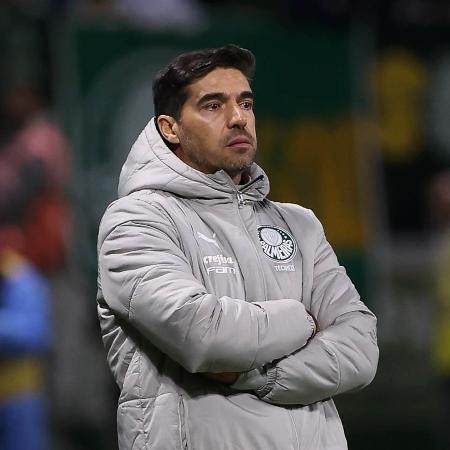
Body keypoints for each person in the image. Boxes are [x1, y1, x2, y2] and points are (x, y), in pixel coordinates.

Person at [97, 44, 379, 449]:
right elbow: (205, 336)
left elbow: (361, 349)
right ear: (169, 127)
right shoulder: (137, 221)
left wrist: (259, 376)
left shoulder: (298, 224)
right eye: (213, 106)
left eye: (245, 103)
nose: (237, 118)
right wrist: (304, 322)